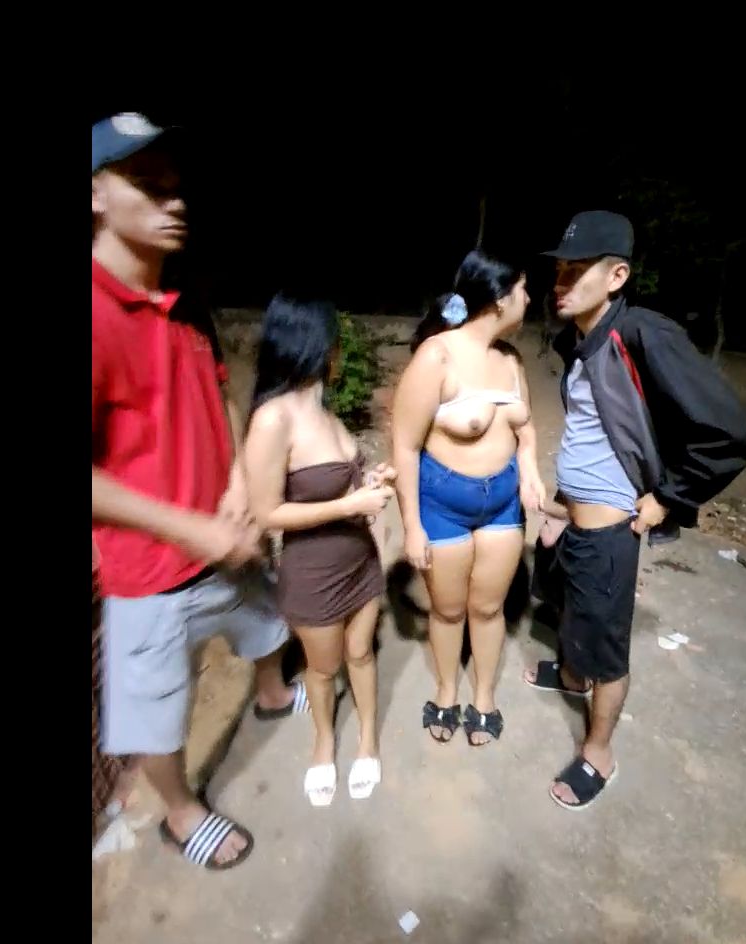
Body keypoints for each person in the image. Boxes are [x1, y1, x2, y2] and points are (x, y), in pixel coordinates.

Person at [92, 113, 308, 871]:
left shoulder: (183, 300)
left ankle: (272, 694)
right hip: (151, 572)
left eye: (176, 186)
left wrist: (238, 484)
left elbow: (220, 395)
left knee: (268, 624)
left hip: (227, 539)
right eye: (148, 185)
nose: (174, 201)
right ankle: (181, 816)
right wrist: (191, 528)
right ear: (95, 195)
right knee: (155, 714)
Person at [525, 210, 746, 810]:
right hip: (573, 517)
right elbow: (597, 427)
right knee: (564, 604)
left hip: (609, 533)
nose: (561, 282)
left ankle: (599, 754)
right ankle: (571, 676)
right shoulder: (580, 340)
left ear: (617, 276)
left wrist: (668, 499)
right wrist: (560, 504)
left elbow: (732, 432)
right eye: (560, 269)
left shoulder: (642, 334)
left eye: (577, 270)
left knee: (606, 650)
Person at [245, 296, 395, 806]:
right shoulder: (273, 418)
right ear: (317, 345)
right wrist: (350, 503)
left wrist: (370, 481)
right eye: (335, 342)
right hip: (314, 573)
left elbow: (338, 481)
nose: (338, 352)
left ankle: (368, 739)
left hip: (360, 560)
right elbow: (267, 513)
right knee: (325, 668)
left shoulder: (323, 408)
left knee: (362, 654)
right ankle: (324, 741)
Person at [392, 248, 546, 746]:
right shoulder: (436, 357)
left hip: (502, 503)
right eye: (522, 290)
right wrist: (412, 526)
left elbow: (525, 428)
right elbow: (405, 446)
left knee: (488, 608)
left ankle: (483, 697)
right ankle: (446, 691)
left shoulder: (510, 360)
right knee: (448, 610)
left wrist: (529, 470)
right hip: (443, 506)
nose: (529, 299)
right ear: (500, 298)